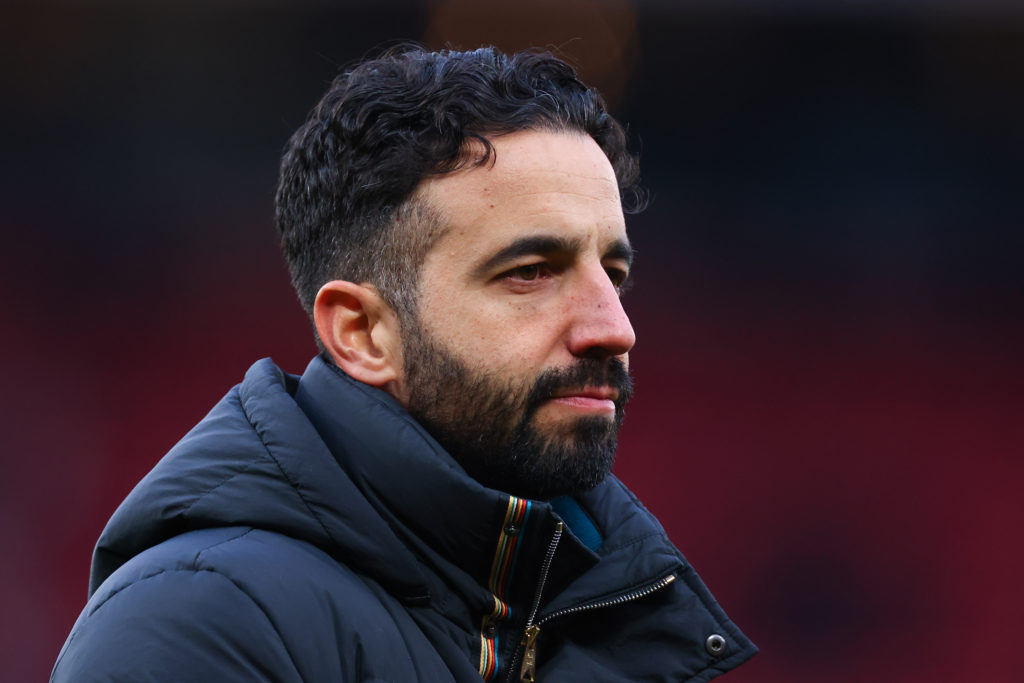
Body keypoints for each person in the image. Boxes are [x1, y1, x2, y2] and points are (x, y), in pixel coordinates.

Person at [52, 46, 756, 682]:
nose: (615, 328)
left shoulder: (610, 618)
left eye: (613, 273)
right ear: (361, 332)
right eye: (531, 272)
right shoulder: (198, 626)